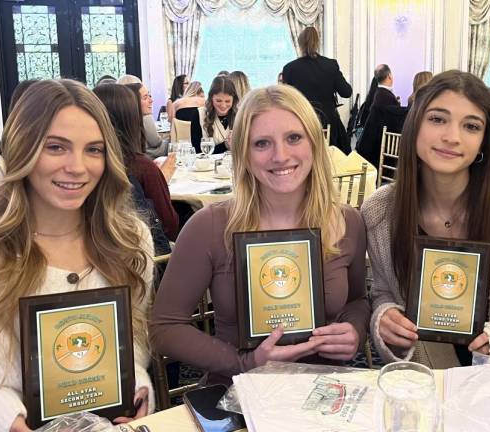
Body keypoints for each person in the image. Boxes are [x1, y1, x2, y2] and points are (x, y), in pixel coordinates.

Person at [0, 79, 155, 431]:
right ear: (22, 149)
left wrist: (138, 384)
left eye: (94, 150)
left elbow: (131, 348)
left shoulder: (128, 242)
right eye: (56, 147)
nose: (78, 167)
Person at [150, 84, 370, 385]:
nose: (280, 156)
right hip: (236, 394)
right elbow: (165, 327)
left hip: (323, 392)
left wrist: (355, 329)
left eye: (294, 138)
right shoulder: (210, 226)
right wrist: (245, 362)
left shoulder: (347, 222)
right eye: (262, 143)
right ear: (243, 152)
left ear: (314, 144)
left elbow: (358, 301)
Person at [361, 70, 490, 369]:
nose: (451, 137)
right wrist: (384, 318)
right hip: (427, 383)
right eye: (437, 119)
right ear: (415, 123)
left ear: (485, 139)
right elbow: (382, 292)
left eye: (471, 126)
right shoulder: (380, 211)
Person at [93, 83, 179, 242]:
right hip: (144, 255)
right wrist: (160, 179)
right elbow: (169, 226)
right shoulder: (140, 167)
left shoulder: (91, 164)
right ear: (132, 119)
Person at [282, 27, 353, 154]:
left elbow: (285, 102)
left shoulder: (289, 68)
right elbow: (346, 92)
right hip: (329, 124)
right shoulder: (331, 65)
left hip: (302, 123)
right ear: (317, 43)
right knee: (333, 161)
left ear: (299, 44)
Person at [196, 76, 239, 154]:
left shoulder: (240, 116)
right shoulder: (199, 115)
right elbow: (197, 151)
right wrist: (225, 145)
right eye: (218, 101)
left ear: (234, 100)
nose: (223, 105)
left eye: (228, 101)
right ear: (211, 98)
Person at [126, 82, 168, 159]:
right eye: (145, 98)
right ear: (133, 102)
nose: (151, 100)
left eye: (149, 96)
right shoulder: (143, 119)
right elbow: (155, 142)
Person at [173, 81, 206, 149]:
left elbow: (172, 124)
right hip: (200, 143)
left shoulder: (176, 103)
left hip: (181, 143)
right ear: (202, 93)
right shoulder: (205, 102)